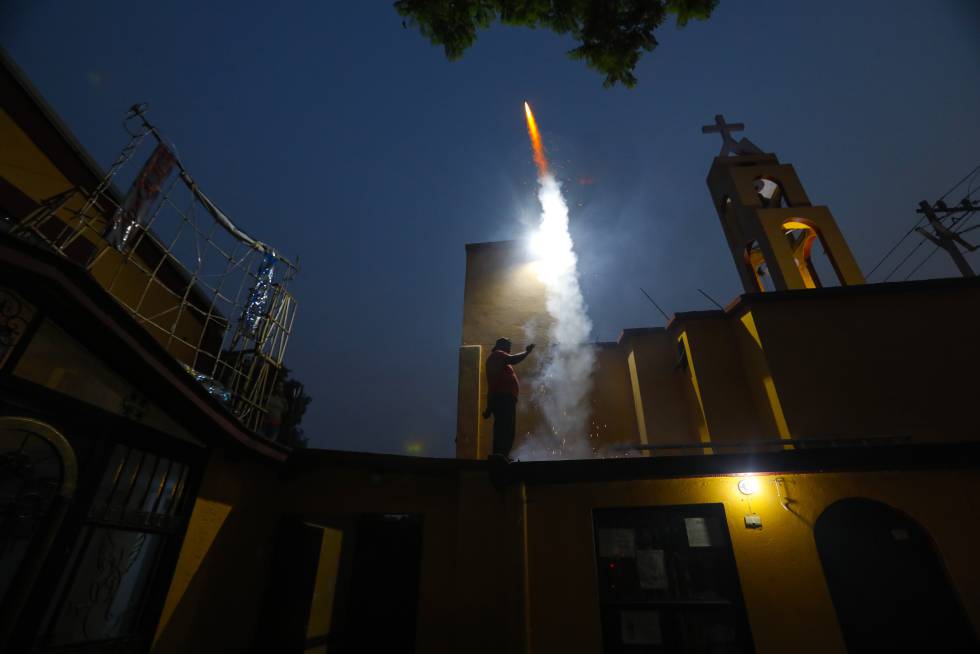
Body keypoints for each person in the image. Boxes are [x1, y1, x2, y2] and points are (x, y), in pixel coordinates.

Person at [482, 337, 535, 460]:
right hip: (504, 399)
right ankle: (500, 458)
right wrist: (527, 352)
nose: (510, 349)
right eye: (508, 346)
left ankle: (501, 457)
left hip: (502, 399)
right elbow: (513, 359)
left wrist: (489, 408)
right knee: (505, 430)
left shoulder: (496, 359)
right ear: (502, 346)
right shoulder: (498, 354)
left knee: (503, 429)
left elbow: (492, 385)